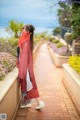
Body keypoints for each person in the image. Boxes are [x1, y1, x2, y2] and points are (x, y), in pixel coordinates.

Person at [16, 24, 45, 109]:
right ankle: (28, 102)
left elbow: (24, 59)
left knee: (30, 85)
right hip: (26, 68)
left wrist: (22, 71)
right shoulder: (25, 41)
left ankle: (40, 101)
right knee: (29, 85)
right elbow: (20, 57)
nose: (22, 31)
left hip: (26, 69)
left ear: (29, 32)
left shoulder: (26, 43)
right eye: (23, 29)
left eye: (24, 30)